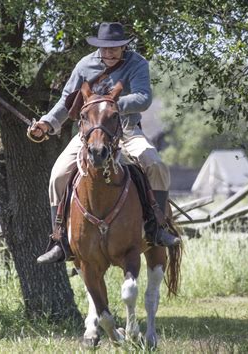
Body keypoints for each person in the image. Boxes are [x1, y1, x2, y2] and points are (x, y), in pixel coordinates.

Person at [29, 22, 181, 264]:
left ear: (124, 47)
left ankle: (157, 227)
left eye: (115, 48)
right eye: (104, 49)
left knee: (156, 165)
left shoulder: (137, 63)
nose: (109, 53)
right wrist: (47, 124)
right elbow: (66, 102)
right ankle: (59, 241)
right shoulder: (84, 65)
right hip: (89, 135)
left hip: (127, 130)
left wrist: (108, 106)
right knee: (57, 175)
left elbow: (143, 98)